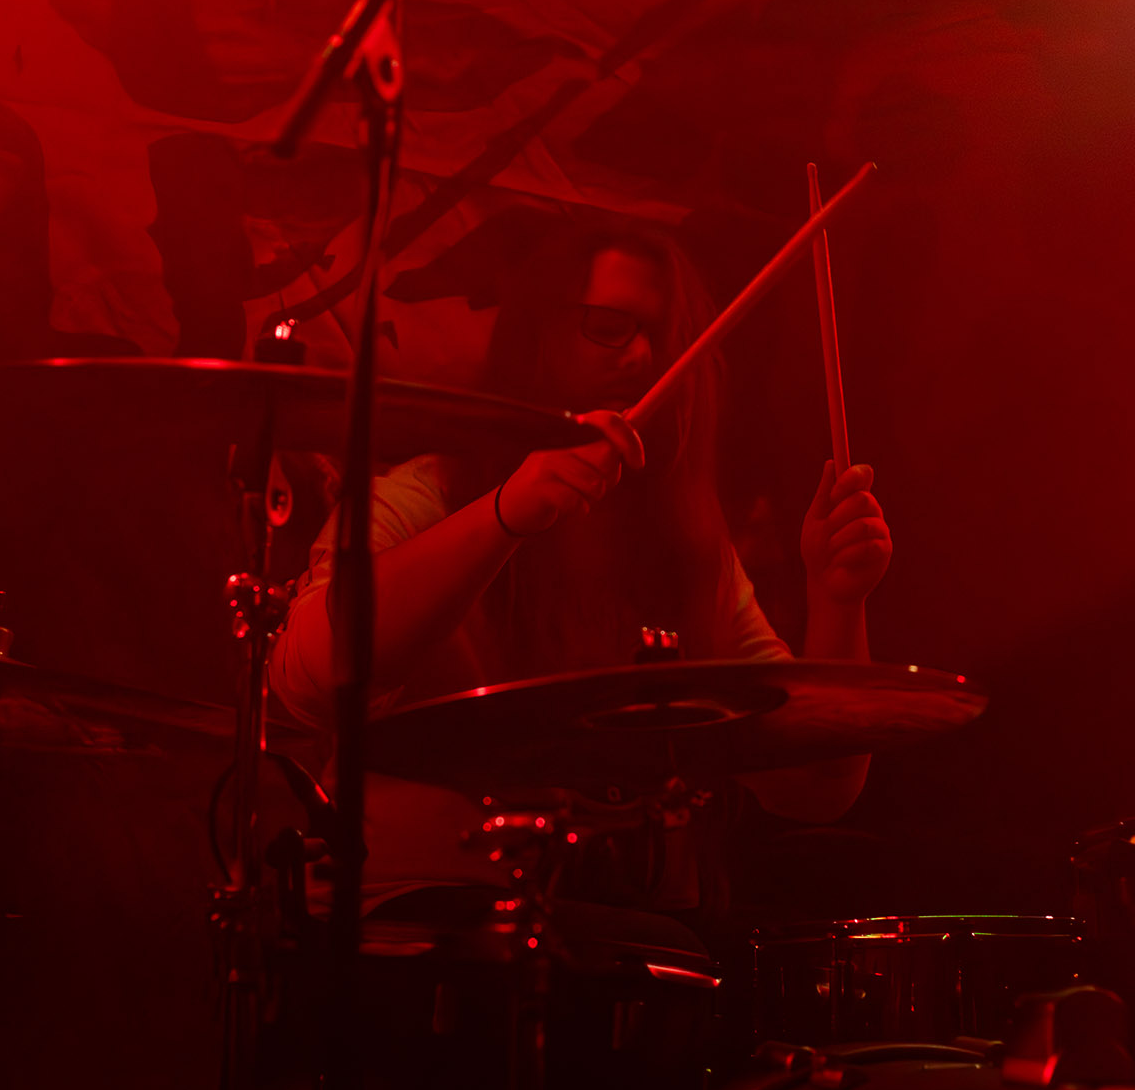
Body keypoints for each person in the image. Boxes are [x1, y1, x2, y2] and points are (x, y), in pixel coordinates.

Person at [267, 211, 893, 914]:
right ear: (536, 335)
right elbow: (307, 681)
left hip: (617, 930)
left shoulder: (690, 547)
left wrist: (838, 600)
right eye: (609, 326)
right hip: (410, 917)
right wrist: (505, 514)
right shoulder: (424, 496)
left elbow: (815, 789)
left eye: (665, 335)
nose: (643, 356)